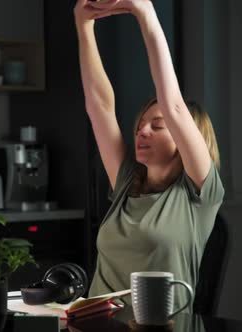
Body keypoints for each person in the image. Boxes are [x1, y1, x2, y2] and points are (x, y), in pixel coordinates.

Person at [74, 0, 225, 313]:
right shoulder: (127, 183)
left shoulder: (199, 194)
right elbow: (99, 106)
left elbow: (175, 107)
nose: (142, 131)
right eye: (141, 124)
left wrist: (144, 12)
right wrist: (83, 24)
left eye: (158, 126)